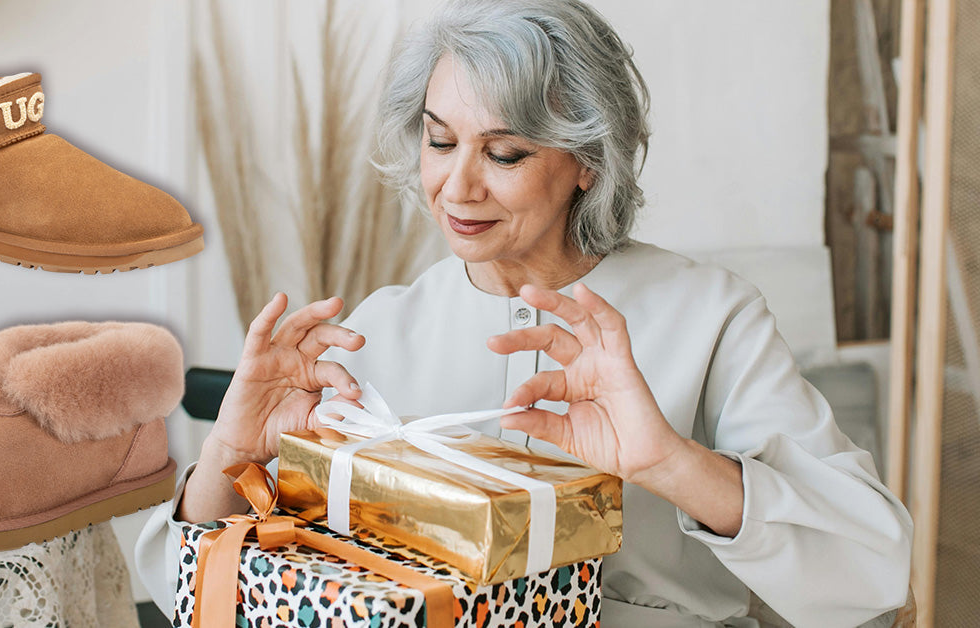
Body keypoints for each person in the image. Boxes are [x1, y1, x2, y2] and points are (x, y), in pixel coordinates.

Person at [137, 1, 913, 625]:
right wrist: (231, 452)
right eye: (440, 142)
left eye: (504, 154)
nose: (457, 186)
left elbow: (870, 577)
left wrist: (667, 462)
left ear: (590, 159)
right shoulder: (377, 330)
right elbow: (190, 593)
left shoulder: (712, 318)